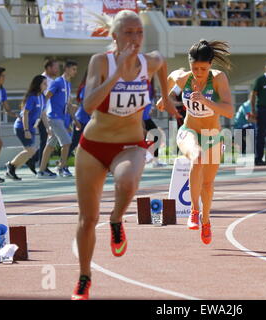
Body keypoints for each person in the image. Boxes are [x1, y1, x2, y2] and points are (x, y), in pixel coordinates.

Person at [71, 9, 179, 300]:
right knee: (87, 219)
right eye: (129, 32)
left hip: (130, 145)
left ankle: (117, 219)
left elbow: (163, 62)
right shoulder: (100, 62)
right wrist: (117, 73)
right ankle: (84, 276)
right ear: (114, 36)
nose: (135, 38)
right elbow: (90, 105)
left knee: (128, 182)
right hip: (93, 146)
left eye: (139, 32)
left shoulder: (149, 61)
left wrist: (165, 96)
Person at [159, 39, 233, 245]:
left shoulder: (218, 79)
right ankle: (193, 210)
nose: (198, 72)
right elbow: (170, 78)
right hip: (188, 130)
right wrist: (164, 99)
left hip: (213, 135)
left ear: (210, 65)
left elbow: (229, 110)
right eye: (194, 67)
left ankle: (206, 221)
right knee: (197, 158)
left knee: (208, 185)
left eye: (202, 68)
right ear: (189, 64)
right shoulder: (184, 77)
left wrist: (206, 101)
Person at [37, 60, 78, 178]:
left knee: (50, 145)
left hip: (60, 118)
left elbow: (68, 104)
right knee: (67, 142)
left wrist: (74, 120)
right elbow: (46, 97)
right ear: (67, 69)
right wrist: (41, 113)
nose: (75, 72)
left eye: (76, 70)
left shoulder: (68, 84)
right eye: (73, 69)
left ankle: (41, 171)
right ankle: (62, 167)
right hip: (53, 117)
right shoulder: (57, 82)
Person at [6, 75, 49, 180]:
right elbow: (25, 113)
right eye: (44, 83)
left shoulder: (43, 97)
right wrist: (26, 130)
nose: (46, 85)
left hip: (32, 128)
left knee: (31, 151)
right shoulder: (32, 97)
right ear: (38, 84)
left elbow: (43, 114)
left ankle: (12, 168)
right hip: (22, 127)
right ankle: (11, 166)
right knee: (30, 150)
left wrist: (48, 128)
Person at [26, 58, 60, 175]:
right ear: (48, 68)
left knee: (47, 140)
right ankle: (42, 166)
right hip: (42, 115)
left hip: (46, 114)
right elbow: (44, 99)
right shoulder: (44, 80)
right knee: (46, 141)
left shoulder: (50, 80)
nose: (58, 69)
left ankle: (34, 160)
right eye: (56, 67)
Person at [143, 78, 166, 168]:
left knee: (157, 136)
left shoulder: (150, 87)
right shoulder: (142, 84)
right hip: (138, 119)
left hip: (146, 118)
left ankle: (155, 161)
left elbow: (149, 104)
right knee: (139, 139)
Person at [68, 71, 90, 158]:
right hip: (81, 120)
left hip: (88, 120)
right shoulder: (86, 88)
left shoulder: (92, 87)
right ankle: (61, 165)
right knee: (74, 143)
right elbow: (85, 104)